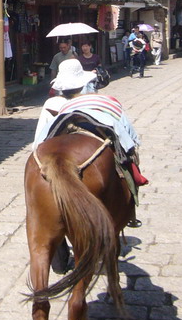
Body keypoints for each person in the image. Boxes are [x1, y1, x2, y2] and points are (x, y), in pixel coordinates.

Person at [33, 60, 147, 225]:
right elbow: (129, 135)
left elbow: (40, 135)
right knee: (127, 158)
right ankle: (130, 208)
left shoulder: (52, 104)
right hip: (99, 130)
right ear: (83, 84)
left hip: (52, 137)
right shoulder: (104, 101)